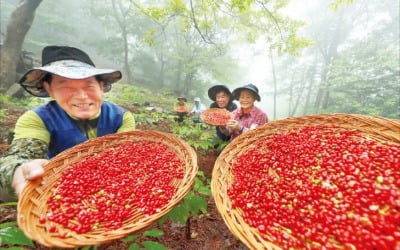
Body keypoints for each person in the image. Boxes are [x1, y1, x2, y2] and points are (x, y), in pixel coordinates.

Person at [0, 45, 135, 200]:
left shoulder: (120, 117)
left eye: (88, 85)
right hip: (58, 189)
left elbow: (126, 157)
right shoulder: (37, 119)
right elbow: (19, 155)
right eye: (65, 86)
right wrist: (19, 170)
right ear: (49, 89)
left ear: (101, 86)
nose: (81, 96)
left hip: (110, 186)